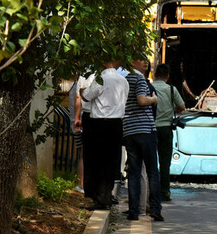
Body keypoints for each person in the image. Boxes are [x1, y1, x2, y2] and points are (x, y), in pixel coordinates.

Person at [79, 60, 130, 210]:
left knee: (97, 161)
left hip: (99, 124)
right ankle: (106, 196)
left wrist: (82, 90)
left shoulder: (101, 79)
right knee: (111, 162)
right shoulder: (123, 81)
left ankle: (99, 198)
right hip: (116, 124)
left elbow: (86, 96)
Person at [122, 58, 164, 221]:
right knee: (153, 171)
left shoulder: (124, 80)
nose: (145, 62)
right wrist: (153, 99)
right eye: (140, 60)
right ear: (131, 63)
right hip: (145, 130)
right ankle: (155, 208)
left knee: (134, 172)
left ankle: (133, 211)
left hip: (129, 130)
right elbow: (141, 100)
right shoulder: (139, 78)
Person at [153, 63, 185, 201]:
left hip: (150, 129)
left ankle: (151, 191)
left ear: (155, 75)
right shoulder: (172, 89)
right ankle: (165, 192)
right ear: (167, 77)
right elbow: (182, 107)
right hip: (166, 129)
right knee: (165, 163)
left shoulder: (149, 87)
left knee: (150, 162)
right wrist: (172, 111)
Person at [70, 75, 92, 193]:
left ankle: (82, 183)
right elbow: (78, 100)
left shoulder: (77, 82)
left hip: (77, 121)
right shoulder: (85, 79)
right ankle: (81, 184)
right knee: (84, 153)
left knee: (83, 153)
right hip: (81, 122)